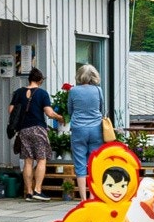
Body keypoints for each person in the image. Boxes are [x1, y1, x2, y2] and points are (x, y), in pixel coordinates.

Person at [10, 68, 63, 201]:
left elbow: (11, 110)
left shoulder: (18, 92)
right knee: (41, 159)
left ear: (29, 79)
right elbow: (49, 113)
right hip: (38, 129)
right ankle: (37, 190)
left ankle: (28, 192)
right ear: (40, 80)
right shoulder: (42, 93)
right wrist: (60, 118)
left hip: (23, 130)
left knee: (28, 161)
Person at [65, 64, 105, 202]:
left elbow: (70, 110)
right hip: (96, 129)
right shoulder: (98, 90)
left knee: (80, 163)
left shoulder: (73, 91)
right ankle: (92, 196)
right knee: (94, 162)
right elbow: (101, 108)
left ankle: (83, 198)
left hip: (78, 129)